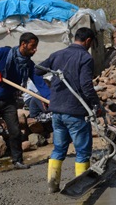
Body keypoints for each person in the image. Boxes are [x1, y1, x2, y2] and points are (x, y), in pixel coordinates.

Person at [0, 32, 50, 180]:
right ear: (23, 44)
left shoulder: (28, 65)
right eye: (32, 46)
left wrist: (48, 98)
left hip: (8, 100)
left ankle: (17, 160)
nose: (35, 50)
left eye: (36, 47)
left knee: (15, 131)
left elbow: (39, 83)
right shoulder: (4, 53)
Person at [38, 27, 104, 193]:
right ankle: (81, 187)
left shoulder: (57, 54)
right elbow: (86, 86)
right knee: (82, 151)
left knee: (59, 149)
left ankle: (52, 185)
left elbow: (37, 70)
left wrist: (47, 92)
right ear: (88, 41)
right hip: (75, 112)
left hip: (57, 112)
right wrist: (96, 104)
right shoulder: (85, 57)